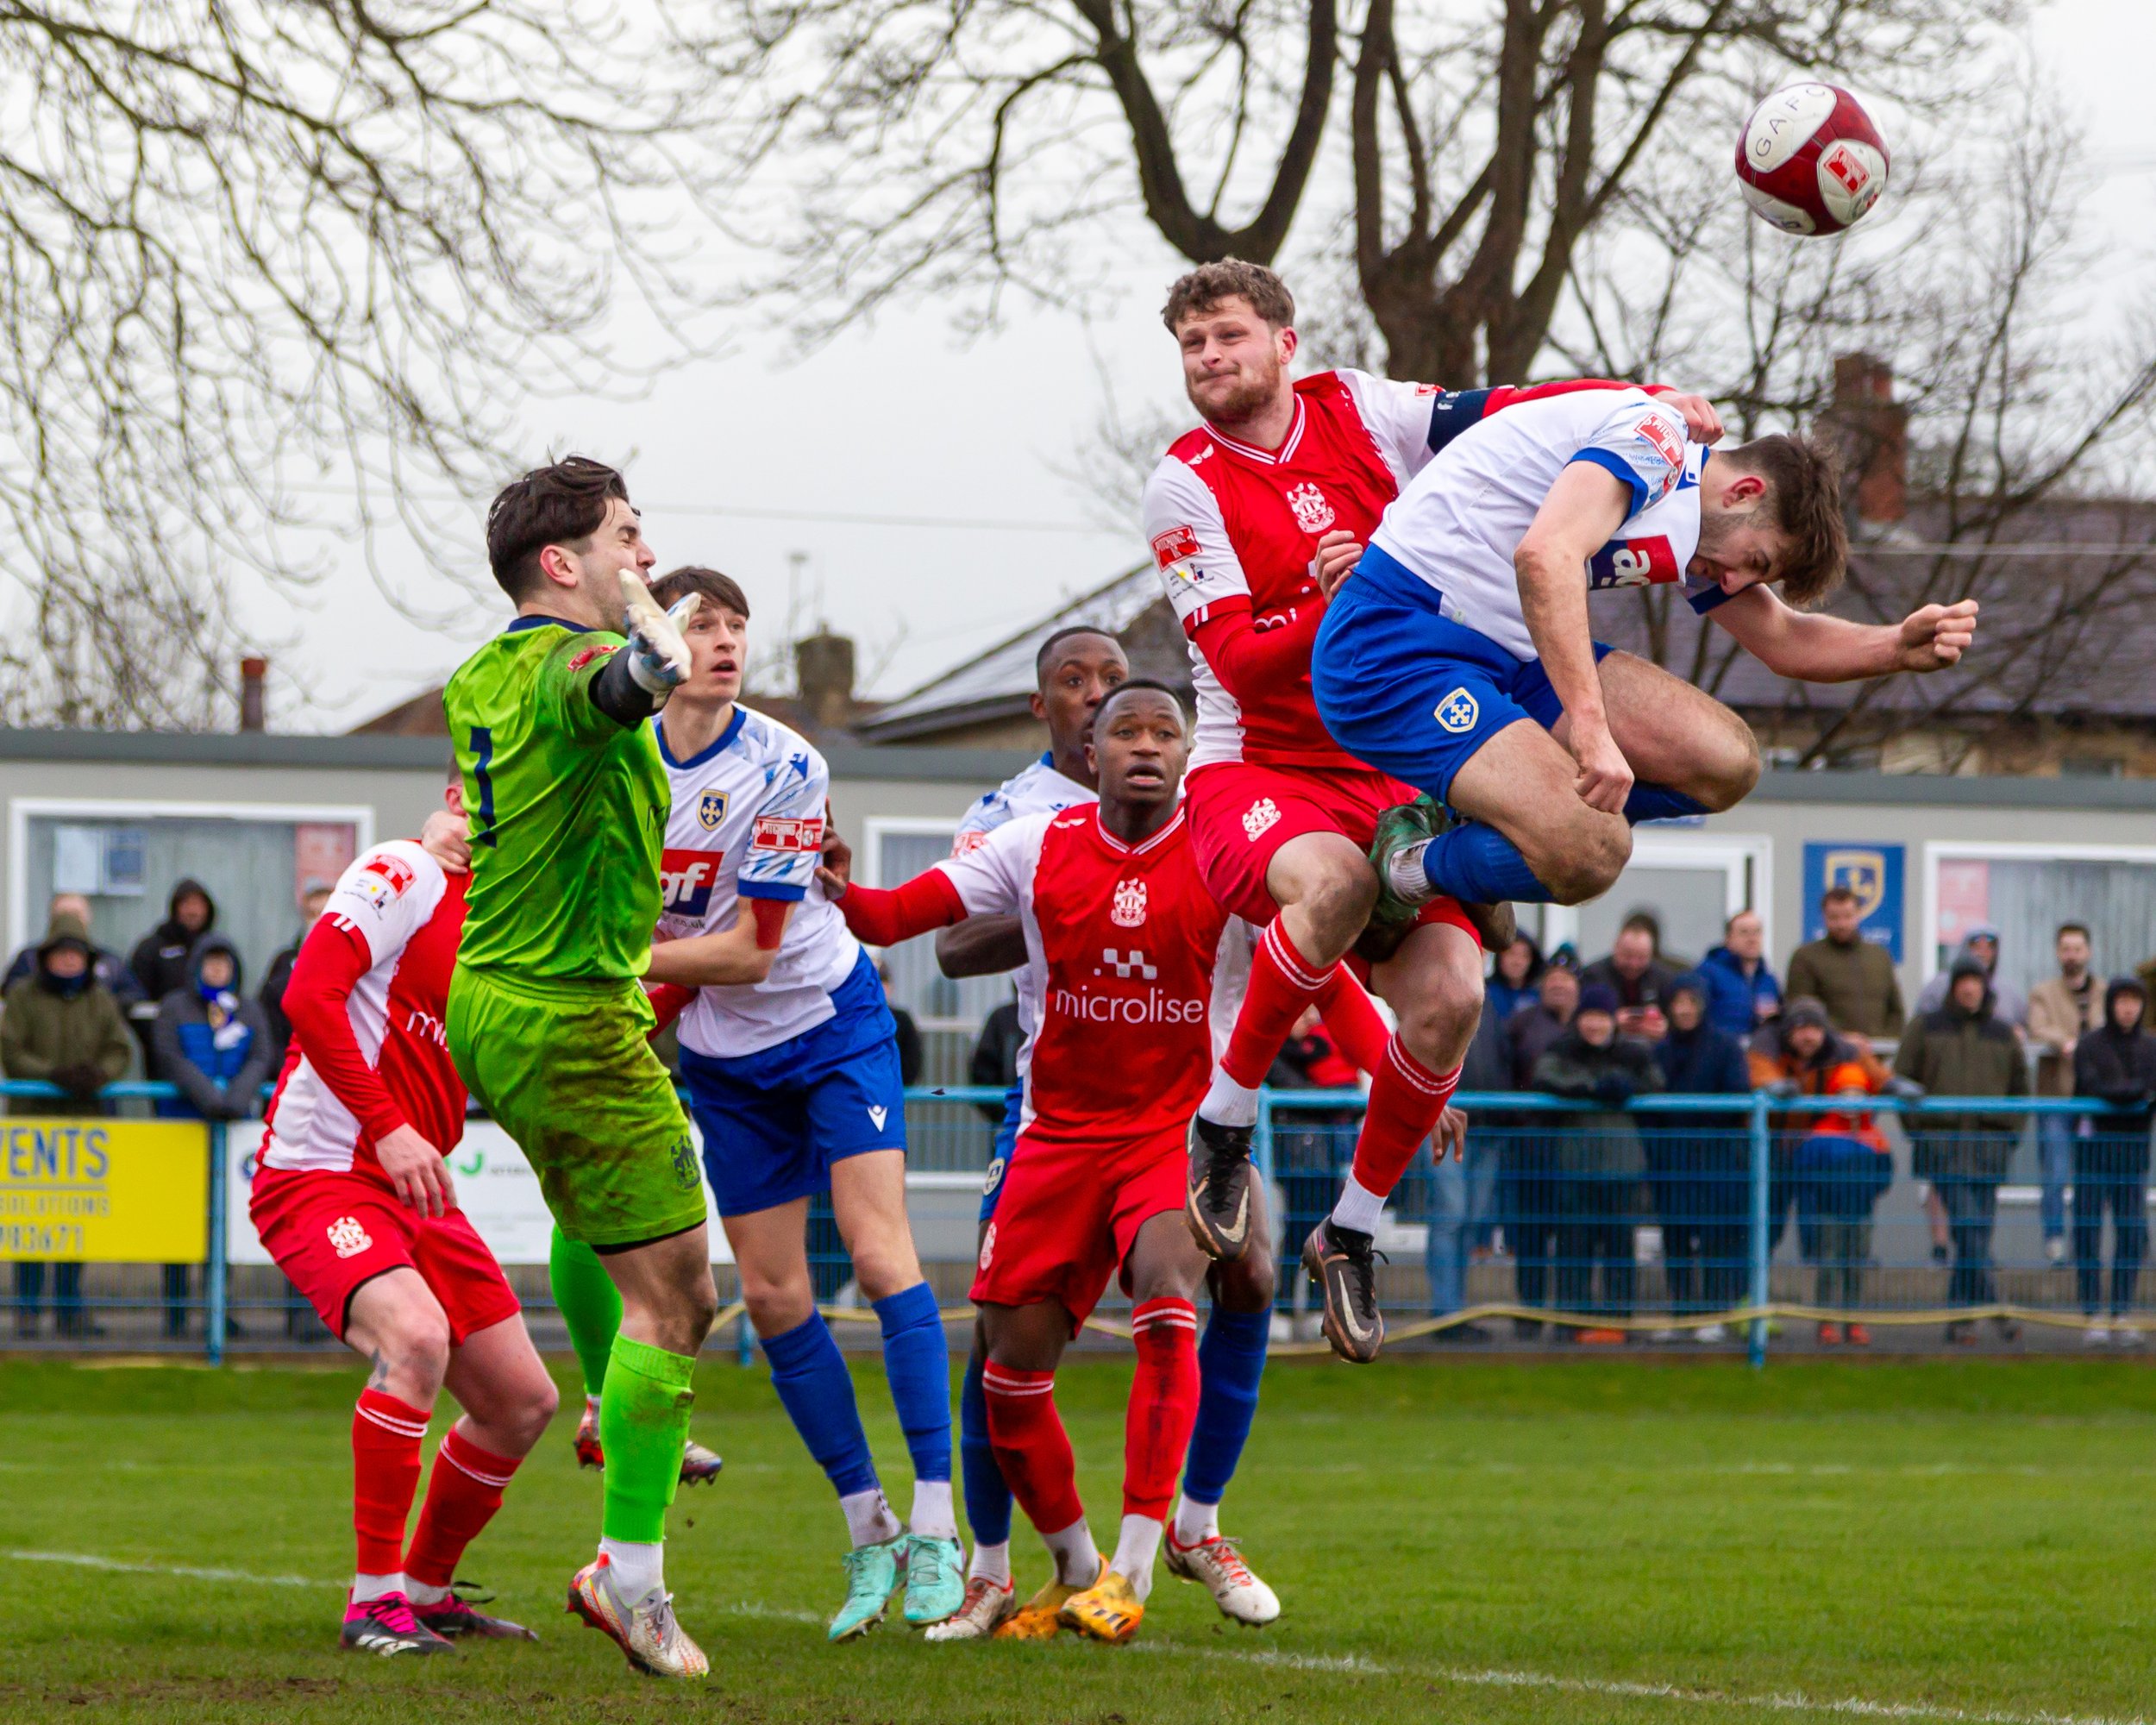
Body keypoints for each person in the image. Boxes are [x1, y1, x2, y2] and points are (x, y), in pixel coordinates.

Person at [1146, 261, 1714, 1358]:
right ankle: (1223, 1122)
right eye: (1190, 345)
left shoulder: (1356, 406)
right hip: (1258, 769)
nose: (1208, 359)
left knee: (1455, 999)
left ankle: (1350, 1233)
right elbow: (1243, 667)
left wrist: (1643, 397)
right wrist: (1348, 599)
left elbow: (1506, 409)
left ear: (1284, 341)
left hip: (1390, 759)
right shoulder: (1184, 482)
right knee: (1337, 881)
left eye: (1225, 336)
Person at [823, 681, 1245, 1644]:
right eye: (1123, 731)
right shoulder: (1033, 843)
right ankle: (1074, 1564)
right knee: (1008, 1376)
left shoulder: (1226, 850)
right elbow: (894, 919)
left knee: (1171, 1299)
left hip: (1171, 1131)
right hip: (1053, 1134)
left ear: (1189, 753)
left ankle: (1142, 1563)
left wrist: (1414, 1068)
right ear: (1087, 754)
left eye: (1163, 732)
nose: (1145, 745)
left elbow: (1321, 960)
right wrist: (838, 882)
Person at [924, 627, 1291, 1638]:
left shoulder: (1202, 798)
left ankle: (1194, 1524)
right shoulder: (1015, 817)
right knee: (1003, 1330)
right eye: (1075, 684)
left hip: (1186, 1094)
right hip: (1050, 1100)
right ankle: (997, 1565)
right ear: (1046, 711)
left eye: (1115, 683)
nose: (1098, 697)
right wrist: (1085, 899)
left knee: (1247, 1269)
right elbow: (951, 946)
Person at [624, 565, 960, 1641]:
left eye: (735, 627)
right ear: (654, 641)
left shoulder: (786, 761)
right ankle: (867, 1531)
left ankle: (937, 1523)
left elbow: (748, 949)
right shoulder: (618, 758)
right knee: (769, 1299)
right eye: (698, 626)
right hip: (723, 1062)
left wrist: (607, 964)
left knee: (879, 1255)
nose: (723, 643)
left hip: (826, 1023)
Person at [1327, 385, 1977, 935]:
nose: (1734, 584)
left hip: (1505, 655)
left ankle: (1454, 841)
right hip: (1398, 643)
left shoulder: (1695, 519)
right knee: (1593, 852)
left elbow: (1785, 639)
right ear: (1744, 490)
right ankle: (1409, 867)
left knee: (1728, 761)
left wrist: (1893, 646)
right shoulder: (1656, 435)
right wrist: (1589, 729)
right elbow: (1546, 556)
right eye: (1755, 563)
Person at [442, 455, 718, 1678]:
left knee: (619, 1249)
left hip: (501, 998)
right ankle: (631, 1574)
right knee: (680, 1297)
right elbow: (623, 686)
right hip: (564, 1011)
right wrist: (659, 645)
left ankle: (614, 1411)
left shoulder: (479, 673)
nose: (644, 557)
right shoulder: (561, 669)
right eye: (626, 538)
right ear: (562, 564)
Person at [248, 803, 556, 1654]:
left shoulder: (518, 917)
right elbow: (307, 993)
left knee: (523, 1402)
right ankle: (372, 1602)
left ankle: (424, 1591)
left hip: (421, 1193)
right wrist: (386, 1121)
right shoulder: (405, 870)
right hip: (323, 1173)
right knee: (416, 1338)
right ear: (461, 796)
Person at [3, 911, 133, 1339]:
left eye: (75, 955)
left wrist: (98, 1076)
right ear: (47, 957)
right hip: (32, 1130)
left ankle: (69, 1310)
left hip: (83, 1131)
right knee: (33, 1224)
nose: (69, 962)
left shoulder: (100, 1000)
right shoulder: (22, 996)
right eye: (61, 954)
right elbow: (10, 1050)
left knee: (76, 1226)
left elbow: (119, 1050)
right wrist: (54, 1074)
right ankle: (26, 1313)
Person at [1895, 956, 2028, 1345]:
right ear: (1953, 985)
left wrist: (2010, 1136)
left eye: (1976, 981)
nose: (1970, 988)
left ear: (1986, 986)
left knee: (1976, 1235)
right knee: (1969, 1231)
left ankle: (1959, 1321)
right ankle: (1998, 1311)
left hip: (1989, 1149)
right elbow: (1902, 1081)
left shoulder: (2003, 1033)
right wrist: (1922, 1133)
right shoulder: (1925, 1027)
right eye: (1963, 980)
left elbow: (2021, 1088)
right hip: (1944, 1148)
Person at [150, 933, 276, 1340]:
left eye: (225, 963)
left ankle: (219, 1312)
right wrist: (209, 1096)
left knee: (223, 1226)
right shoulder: (176, 1007)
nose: (218, 970)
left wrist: (236, 1097)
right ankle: (176, 1313)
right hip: (182, 1130)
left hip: (232, 1132)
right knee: (177, 1223)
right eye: (211, 962)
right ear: (198, 966)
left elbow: (262, 1056)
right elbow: (169, 1057)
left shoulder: (248, 1009)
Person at [1531, 984, 1662, 1342]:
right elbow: (1545, 1076)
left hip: (1623, 1168)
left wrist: (1626, 1085)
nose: (1595, 1025)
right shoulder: (1562, 1049)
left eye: (1602, 1017)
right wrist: (1593, 1087)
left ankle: (1620, 1323)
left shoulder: (1632, 1054)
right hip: (1576, 1167)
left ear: (1613, 1020)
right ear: (1579, 1019)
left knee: (1620, 1247)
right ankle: (1572, 1324)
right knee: (1575, 1246)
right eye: (1589, 1017)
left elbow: (1656, 1083)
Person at [1649, 975, 1750, 1342]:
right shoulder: (1660, 1050)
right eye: (1678, 1003)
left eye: (1691, 1002)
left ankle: (1713, 1314)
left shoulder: (1725, 1047)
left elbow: (1738, 1093)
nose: (1684, 1010)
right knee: (1676, 1239)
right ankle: (1681, 1315)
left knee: (1714, 1240)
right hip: (1672, 1162)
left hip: (1715, 1162)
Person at [2070, 977, 2155, 1346]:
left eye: (2135, 1001)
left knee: (2131, 1234)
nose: (2128, 1008)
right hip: (2092, 1154)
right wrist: (2135, 1094)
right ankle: (2092, 1315)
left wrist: (2129, 1094)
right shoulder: (2090, 1044)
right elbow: (2092, 1086)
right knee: (2088, 1233)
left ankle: (2120, 1311)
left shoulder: (2151, 1046)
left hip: (2133, 1155)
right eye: (2121, 1000)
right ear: (2110, 1004)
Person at [1503, 958, 1578, 1333]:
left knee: (1570, 1237)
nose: (1559, 987)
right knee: (1532, 1235)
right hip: (1532, 1146)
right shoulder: (1522, 1024)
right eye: (1553, 981)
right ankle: (1530, 1315)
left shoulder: (1589, 1024)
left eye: (1567, 981)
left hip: (1575, 1149)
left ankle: (1565, 1317)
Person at [1794, 1063, 1892, 1346]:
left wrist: (1867, 1192)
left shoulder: (1874, 1136)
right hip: (1828, 1212)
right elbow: (1804, 1172)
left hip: (1861, 1212)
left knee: (1856, 1266)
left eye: (1857, 1095)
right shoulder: (1820, 1134)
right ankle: (1826, 1323)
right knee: (1829, 1265)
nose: (1851, 1102)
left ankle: (1854, 1321)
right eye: (1844, 1094)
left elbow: (1885, 1174)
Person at [2026, 923, 2103, 1268]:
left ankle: (2086, 1246)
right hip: (2058, 1098)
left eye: (2078, 948)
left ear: (2088, 952)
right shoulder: (2044, 992)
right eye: (2066, 948)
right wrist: (2065, 1041)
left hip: (2097, 1100)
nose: (2072, 955)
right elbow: (2037, 1026)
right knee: (2055, 1176)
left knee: (2093, 1177)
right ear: (2058, 953)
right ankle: (2055, 1241)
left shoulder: (2105, 991)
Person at [1783, 887, 1906, 1040]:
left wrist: (1887, 1039)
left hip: (1876, 1053)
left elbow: (1895, 1010)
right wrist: (1840, 1038)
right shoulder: (1806, 957)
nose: (1841, 924)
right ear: (1824, 917)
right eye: (1834, 917)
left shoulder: (1879, 956)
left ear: (1859, 914)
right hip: (1829, 1055)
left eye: (1848, 916)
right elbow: (1800, 1009)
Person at [3, 893, 141, 1006]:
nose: (70, 922)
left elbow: (134, 995)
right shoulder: (30, 959)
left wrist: (98, 1007)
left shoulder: (109, 962)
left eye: (76, 915)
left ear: (88, 918)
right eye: (63, 915)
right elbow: (11, 992)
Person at [258, 875, 335, 1064]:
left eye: (324, 913)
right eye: (312, 913)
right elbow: (267, 1017)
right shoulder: (285, 961)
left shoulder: (356, 965)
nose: (318, 920)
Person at [1578, 914, 1678, 1042]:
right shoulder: (1593, 975)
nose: (1633, 964)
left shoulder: (1665, 978)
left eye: (1641, 958)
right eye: (1628, 956)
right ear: (1616, 949)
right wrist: (1610, 1021)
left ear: (1651, 955)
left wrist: (1666, 1027)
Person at [129, 878, 216, 1004]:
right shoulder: (151, 949)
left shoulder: (216, 948)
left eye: (198, 904)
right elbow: (135, 995)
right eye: (186, 904)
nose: (193, 911)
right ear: (175, 908)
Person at [1916, 924, 2026, 1024]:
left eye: (1989, 947)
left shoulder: (2008, 993)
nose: (1982, 953)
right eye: (1976, 947)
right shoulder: (1939, 986)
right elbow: (1922, 1024)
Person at [1700, 909, 1781, 1041]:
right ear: (1728, 939)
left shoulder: (1769, 980)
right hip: (1723, 1052)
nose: (1752, 939)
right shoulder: (1708, 973)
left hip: (1759, 1055)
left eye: (1757, 932)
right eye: (1744, 932)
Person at [1486, 932, 1545, 1026]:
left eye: (1524, 956)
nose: (1517, 962)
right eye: (1511, 953)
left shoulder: (1539, 996)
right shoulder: (1486, 992)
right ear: (1500, 957)